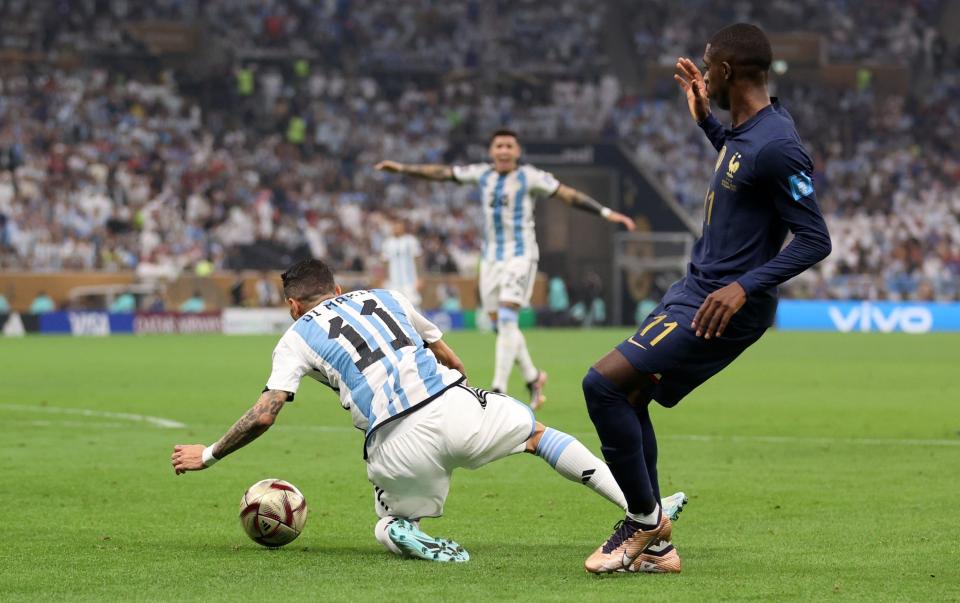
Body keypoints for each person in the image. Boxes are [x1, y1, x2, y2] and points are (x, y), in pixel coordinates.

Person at [170, 259, 686, 563]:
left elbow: (265, 413)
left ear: (292, 304)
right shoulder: (387, 297)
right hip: (453, 404)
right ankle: (645, 511)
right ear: (340, 289)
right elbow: (448, 356)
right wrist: (475, 401)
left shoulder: (294, 337)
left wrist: (209, 454)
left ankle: (403, 531)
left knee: (388, 520)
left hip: (394, 445)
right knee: (538, 436)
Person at [580, 23, 832, 575]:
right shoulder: (747, 133)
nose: (702, 71)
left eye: (708, 64)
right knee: (626, 395)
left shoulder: (780, 143)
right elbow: (744, 172)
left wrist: (744, 285)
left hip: (724, 304)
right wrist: (706, 124)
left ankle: (645, 528)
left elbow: (816, 239)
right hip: (696, 290)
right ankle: (658, 544)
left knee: (601, 385)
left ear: (726, 71)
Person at [376, 130, 636, 410]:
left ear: (517, 151)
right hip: (490, 260)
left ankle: (498, 390)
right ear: (491, 151)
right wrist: (403, 169)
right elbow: (442, 173)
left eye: (508, 146)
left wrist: (607, 213)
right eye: (498, 146)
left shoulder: (530, 177)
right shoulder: (481, 174)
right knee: (499, 323)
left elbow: (568, 195)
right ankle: (533, 377)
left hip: (520, 255)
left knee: (508, 318)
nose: (503, 150)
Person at [380, 219, 423, 307]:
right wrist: (383, 280)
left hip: (410, 281)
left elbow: (418, 260)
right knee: (393, 306)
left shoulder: (411, 240)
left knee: (414, 305)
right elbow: (385, 263)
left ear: (403, 227)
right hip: (393, 282)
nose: (396, 228)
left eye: (398, 226)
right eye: (394, 227)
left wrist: (420, 278)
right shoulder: (387, 243)